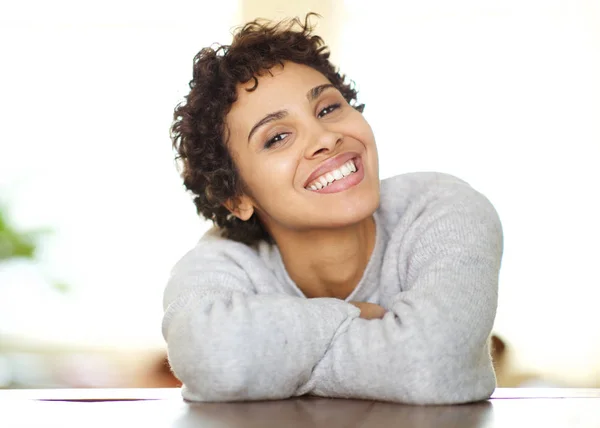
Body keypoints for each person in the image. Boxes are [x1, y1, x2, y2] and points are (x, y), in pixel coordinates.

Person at [162, 14, 503, 405]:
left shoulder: (444, 210)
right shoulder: (221, 262)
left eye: (326, 109)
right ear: (237, 198)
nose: (325, 138)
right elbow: (213, 359)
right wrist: (353, 315)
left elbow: (432, 367)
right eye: (277, 138)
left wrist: (272, 363)